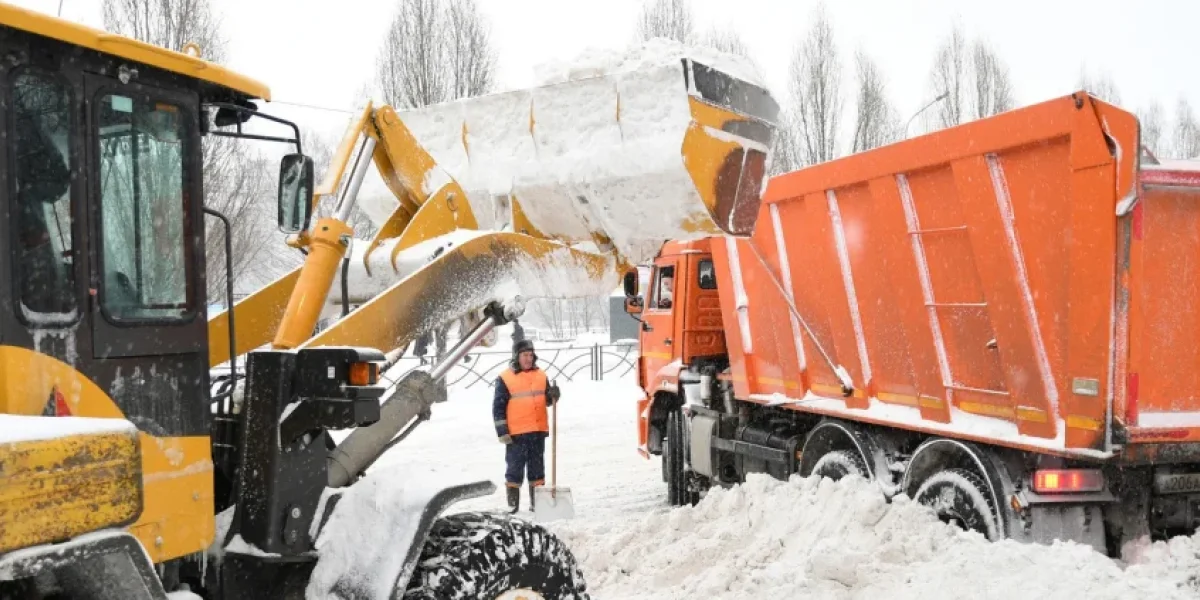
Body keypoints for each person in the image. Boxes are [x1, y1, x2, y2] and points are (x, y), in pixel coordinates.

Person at [493, 339, 560, 513]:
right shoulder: (505, 378)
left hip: (537, 431)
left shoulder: (541, 375)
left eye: (531, 355)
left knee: (537, 471)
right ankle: (512, 506)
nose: (529, 359)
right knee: (514, 469)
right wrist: (502, 431)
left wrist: (553, 396)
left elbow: (546, 400)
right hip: (516, 434)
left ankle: (537, 505)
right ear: (517, 356)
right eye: (525, 355)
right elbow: (498, 407)